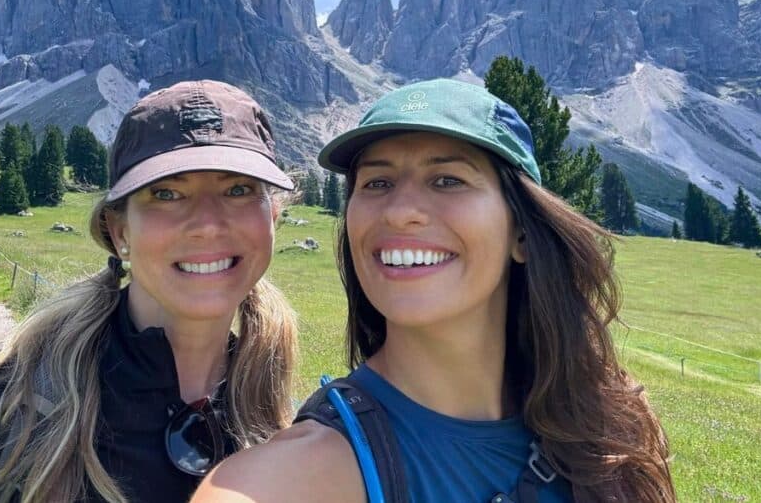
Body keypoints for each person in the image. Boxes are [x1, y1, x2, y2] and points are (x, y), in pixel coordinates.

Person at [194, 79, 675, 502]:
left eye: (447, 180)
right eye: (377, 182)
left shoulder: (613, 429)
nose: (400, 211)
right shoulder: (281, 482)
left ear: (522, 233)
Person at [0, 80, 299, 503]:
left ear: (273, 218)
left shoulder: (291, 428)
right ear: (119, 231)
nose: (207, 222)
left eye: (239, 189)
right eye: (167, 193)